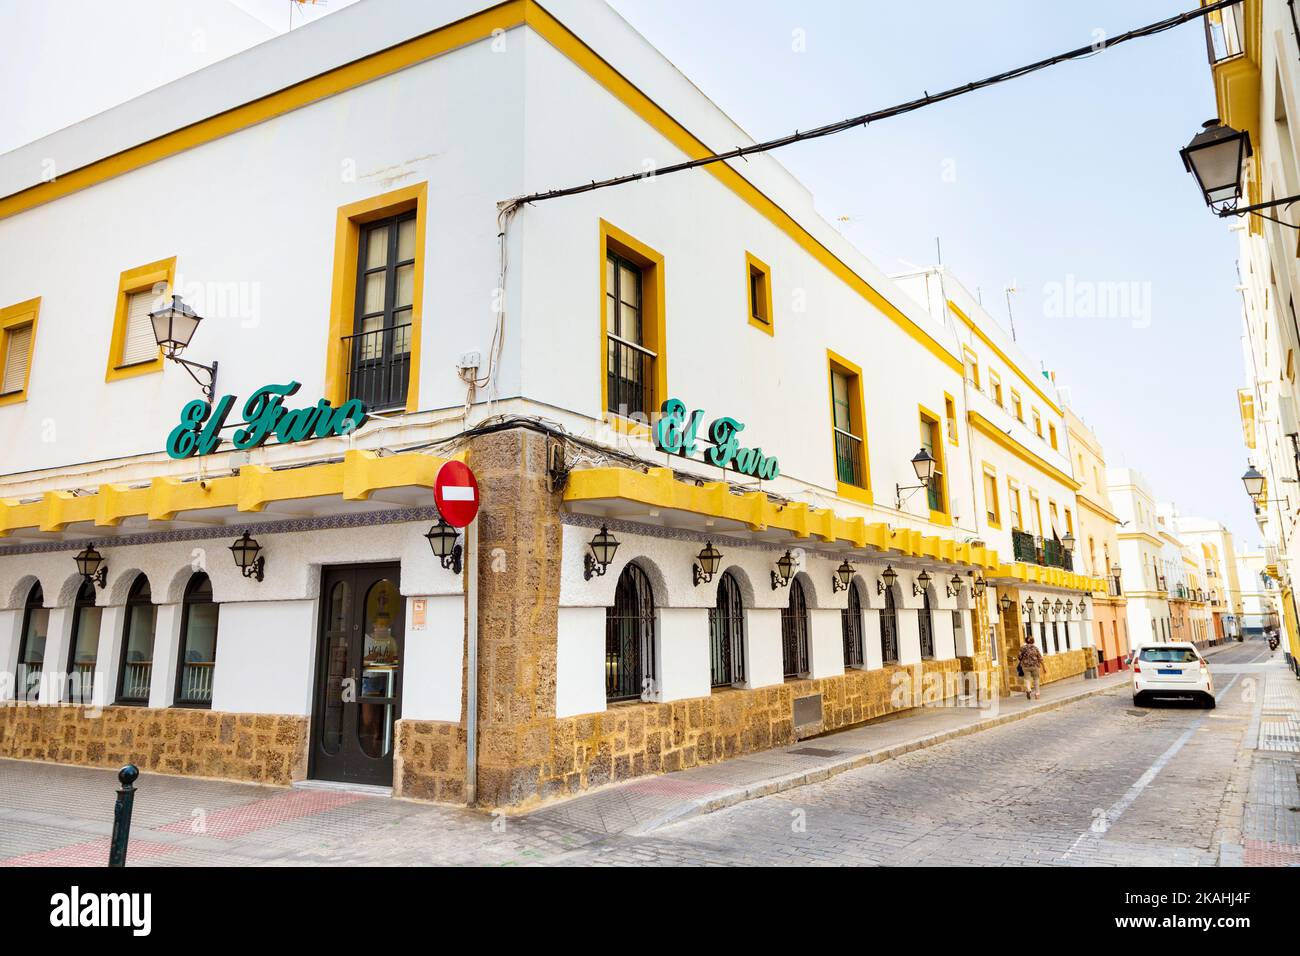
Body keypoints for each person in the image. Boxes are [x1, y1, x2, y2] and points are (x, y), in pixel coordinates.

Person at [1018, 635, 1045, 700]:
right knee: (1036, 679)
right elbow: (1040, 658)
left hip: (1025, 666)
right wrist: (1044, 667)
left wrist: (1024, 659)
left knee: (1027, 679)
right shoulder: (1035, 648)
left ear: (1026, 641)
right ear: (1033, 641)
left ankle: (1029, 689)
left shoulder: (1022, 648)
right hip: (1035, 666)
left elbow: (1019, 657)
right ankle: (1037, 694)